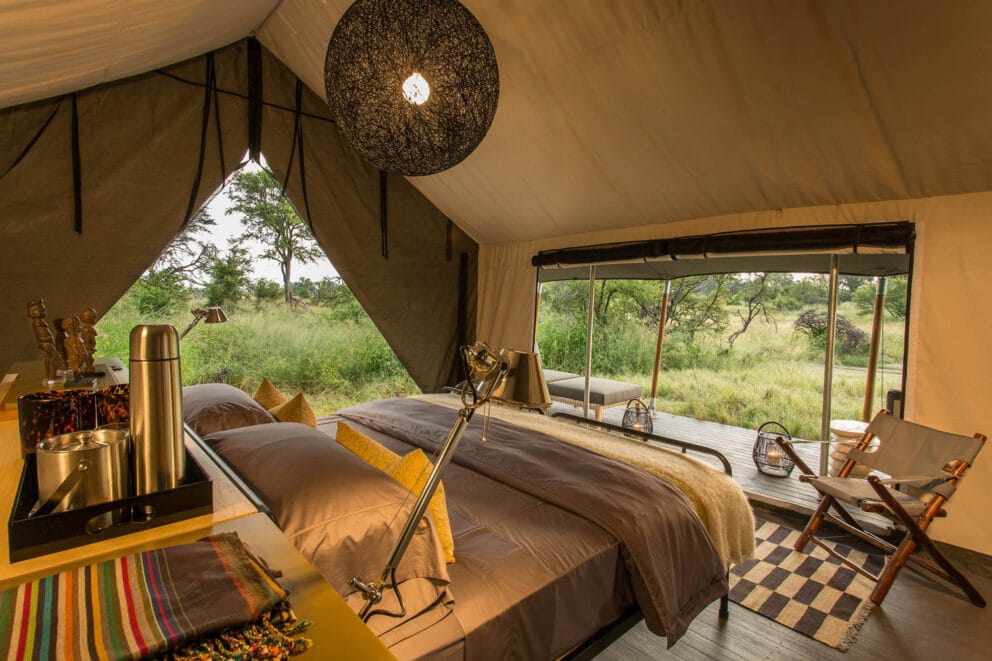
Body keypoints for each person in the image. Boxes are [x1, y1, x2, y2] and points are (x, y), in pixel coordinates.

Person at [26, 299, 63, 381]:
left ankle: (51, 376)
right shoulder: (38, 324)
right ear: (33, 312)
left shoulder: (40, 323)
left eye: (43, 309)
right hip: (47, 345)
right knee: (52, 360)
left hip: (48, 344)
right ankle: (51, 376)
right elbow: (42, 337)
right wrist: (49, 339)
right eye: (42, 309)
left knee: (50, 360)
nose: (44, 311)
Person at [79, 307, 98, 374]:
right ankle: (89, 367)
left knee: (89, 358)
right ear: (89, 318)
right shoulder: (88, 329)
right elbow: (88, 339)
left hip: (88, 346)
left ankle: (89, 367)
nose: (95, 319)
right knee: (89, 358)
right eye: (94, 317)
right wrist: (93, 344)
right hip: (88, 347)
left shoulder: (86, 328)